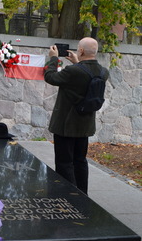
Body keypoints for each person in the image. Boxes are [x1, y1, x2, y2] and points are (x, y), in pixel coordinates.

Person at [44, 37, 109, 194]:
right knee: (80, 161)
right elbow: (85, 77)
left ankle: (67, 196)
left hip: (66, 126)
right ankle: (82, 195)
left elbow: (50, 77)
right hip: (85, 125)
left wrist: (53, 58)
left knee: (64, 162)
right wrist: (76, 62)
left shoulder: (73, 72)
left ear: (80, 51)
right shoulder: (103, 72)